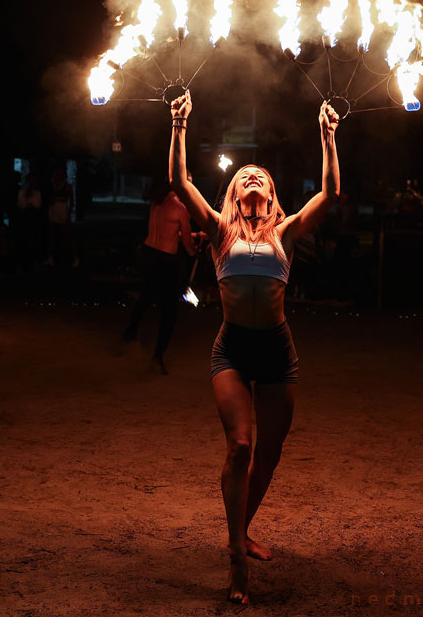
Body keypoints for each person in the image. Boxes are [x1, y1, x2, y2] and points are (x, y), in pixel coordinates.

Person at [168, 89, 340, 604]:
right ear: (234, 192)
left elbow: (330, 193)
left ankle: (243, 526)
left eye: (259, 174)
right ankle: (236, 559)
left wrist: (328, 135)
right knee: (241, 446)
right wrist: (179, 124)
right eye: (243, 174)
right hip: (233, 350)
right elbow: (180, 182)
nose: (251, 176)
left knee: (270, 451)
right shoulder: (220, 230)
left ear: (270, 191)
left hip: (278, 350)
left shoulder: (284, 231)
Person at [123, 177, 198, 374]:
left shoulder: (156, 203)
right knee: (169, 312)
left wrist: (194, 237)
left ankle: (129, 336)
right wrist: (194, 250)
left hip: (149, 254)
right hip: (166, 261)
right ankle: (158, 356)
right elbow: (187, 244)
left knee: (145, 298)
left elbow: (168, 231)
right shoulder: (180, 208)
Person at [44, 168, 78, 267]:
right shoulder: (51, 185)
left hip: (62, 210)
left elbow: (71, 202)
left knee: (68, 235)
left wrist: (68, 214)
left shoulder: (67, 187)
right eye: (57, 174)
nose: (59, 176)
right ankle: (51, 258)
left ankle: (75, 258)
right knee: (51, 235)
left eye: (61, 174)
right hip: (53, 209)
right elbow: (48, 199)